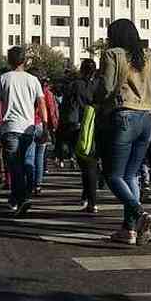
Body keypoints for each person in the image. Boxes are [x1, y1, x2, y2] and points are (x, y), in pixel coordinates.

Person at [95, 19, 151, 246]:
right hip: (148, 119)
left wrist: (95, 101)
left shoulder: (112, 54)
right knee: (131, 175)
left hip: (124, 116)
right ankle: (129, 230)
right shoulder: (149, 56)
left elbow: (106, 87)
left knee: (114, 175)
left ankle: (139, 213)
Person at [0, 46, 48, 216]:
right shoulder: (33, 80)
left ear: (9, 61)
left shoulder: (3, 79)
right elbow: (41, 103)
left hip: (10, 126)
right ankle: (26, 193)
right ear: (24, 61)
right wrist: (45, 126)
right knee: (27, 162)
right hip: (29, 127)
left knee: (14, 165)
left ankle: (21, 197)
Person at [59, 59, 99, 213]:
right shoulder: (98, 85)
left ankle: (91, 200)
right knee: (92, 164)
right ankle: (88, 197)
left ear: (81, 70)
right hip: (96, 126)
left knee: (86, 165)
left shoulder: (75, 85)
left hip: (79, 127)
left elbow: (66, 108)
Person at [32, 77, 59, 196]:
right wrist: (52, 126)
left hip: (29, 125)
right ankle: (38, 184)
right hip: (41, 125)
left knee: (30, 156)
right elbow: (51, 110)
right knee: (39, 156)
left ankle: (30, 182)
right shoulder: (46, 93)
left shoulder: (29, 90)